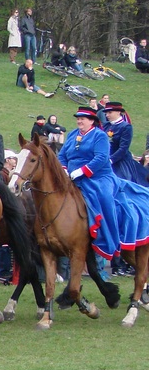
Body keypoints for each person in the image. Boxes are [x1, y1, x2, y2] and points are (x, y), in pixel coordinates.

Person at [60, 106, 149, 258]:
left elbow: (101, 158)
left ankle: (109, 237)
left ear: (92, 121)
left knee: (105, 198)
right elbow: (62, 154)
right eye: (78, 118)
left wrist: (82, 171)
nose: (79, 121)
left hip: (99, 177)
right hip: (72, 176)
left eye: (83, 118)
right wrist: (64, 169)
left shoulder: (99, 136)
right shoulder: (72, 134)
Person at [102, 101, 149, 186]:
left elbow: (123, 148)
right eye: (106, 113)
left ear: (118, 112)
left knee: (122, 183)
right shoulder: (105, 125)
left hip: (119, 161)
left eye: (110, 112)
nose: (107, 115)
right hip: (104, 159)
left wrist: (110, 160)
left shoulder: (125, 127)